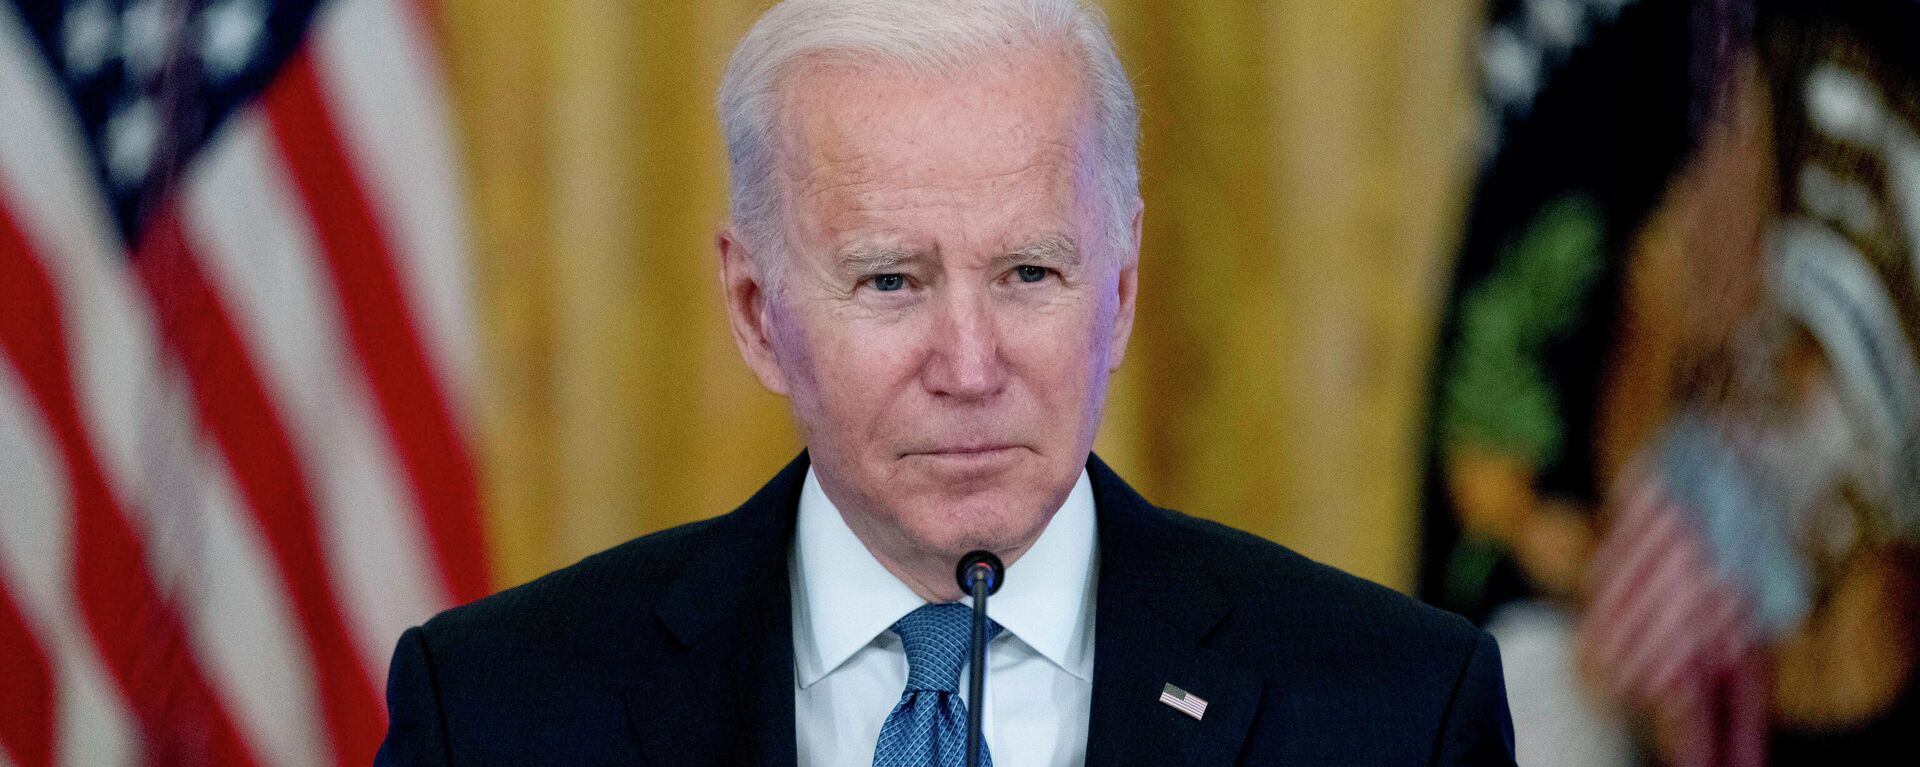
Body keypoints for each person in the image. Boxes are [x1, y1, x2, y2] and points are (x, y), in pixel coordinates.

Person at [375, 1, 1517, 764]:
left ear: (1117, 291)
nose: (970, 368)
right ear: (755, 310)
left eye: (1029, 271)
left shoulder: (1397, 708)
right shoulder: (493, 711)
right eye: (889, 280)